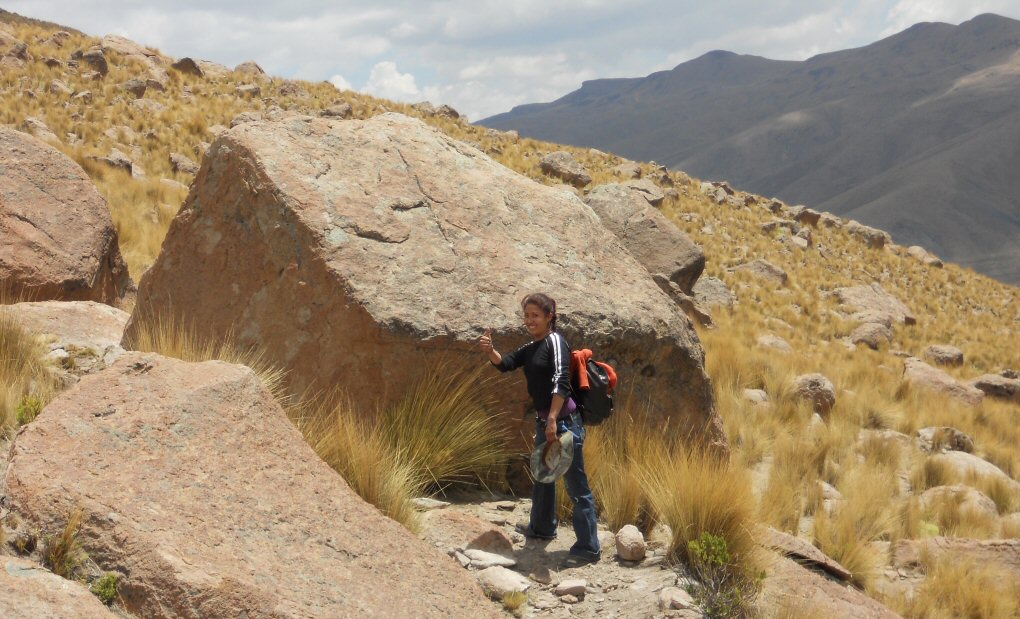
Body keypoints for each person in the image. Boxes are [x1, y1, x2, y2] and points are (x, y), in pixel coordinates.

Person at [478, 293, 601, 564]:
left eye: (536, 315)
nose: (530, 320)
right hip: (547, 421)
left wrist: (554, 420)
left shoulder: (556, 342)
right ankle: (542, 529)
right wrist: (491, 352)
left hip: (564, 422)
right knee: (544, 476)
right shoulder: (532, 346)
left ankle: (588, 548)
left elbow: (561, 381)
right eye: (527, 315)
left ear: (549, 317)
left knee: (576, 484)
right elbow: (507, 364)